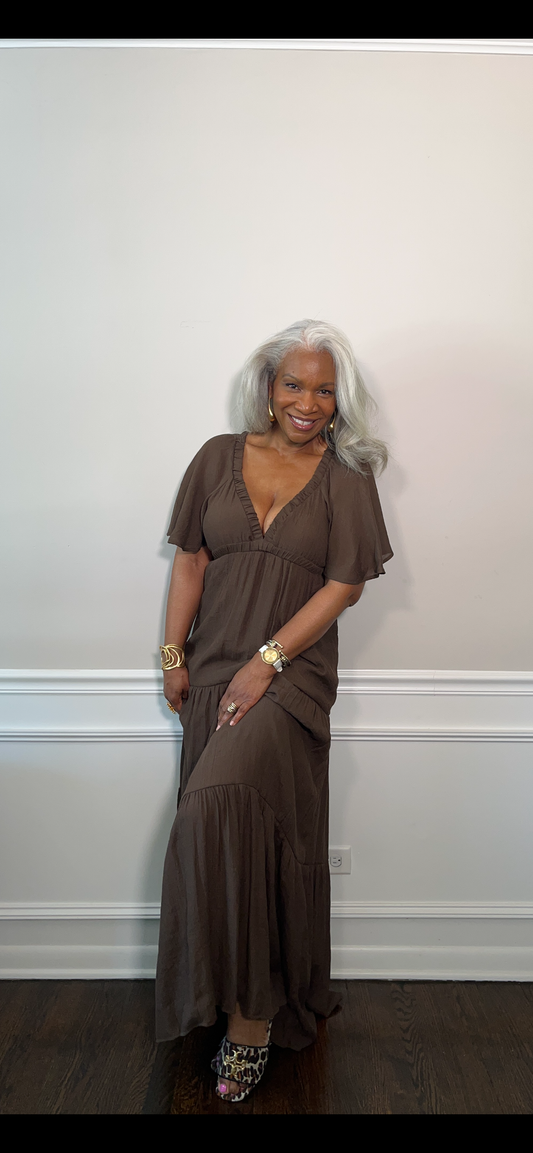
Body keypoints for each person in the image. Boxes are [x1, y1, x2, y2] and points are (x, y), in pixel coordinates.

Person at [155, 319, 392, 1103]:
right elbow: (191, 559)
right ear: (268, 386)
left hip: (287, 680)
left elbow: (343, 585)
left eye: (324, 389)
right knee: (227, 833)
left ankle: (253, 1018)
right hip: (213, 670)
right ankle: (222, 993)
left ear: (339, 400)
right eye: (294, 383)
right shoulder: (215, 457)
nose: (308, 402)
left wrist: (266, 663)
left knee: (214, 809)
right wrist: (172, 654)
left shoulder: (346, 476)